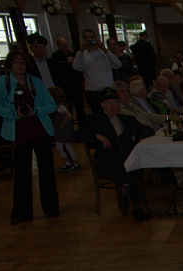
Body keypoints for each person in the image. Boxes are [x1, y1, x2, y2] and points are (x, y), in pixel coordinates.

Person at [0, 49, 59, 226]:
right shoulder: (2, 82)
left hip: (40, 130)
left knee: (46, 171)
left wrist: (35, 111)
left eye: (22, 62)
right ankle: (22, 213)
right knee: (22, 173)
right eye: (16, 62)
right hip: (18, 132)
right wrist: (14, 114)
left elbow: (51, 105)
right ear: (10, 64)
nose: (19, 66)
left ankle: (51, 208)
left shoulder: (35, 82)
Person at [82, 86, 153, 221]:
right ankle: (135, 205)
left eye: (115, 102)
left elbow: (147, 129)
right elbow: (77, 135)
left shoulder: (127, 119)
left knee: (129, 165)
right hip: (107, 161)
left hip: (127, 160)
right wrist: (97, 136)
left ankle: (127, 193)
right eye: (108, 102)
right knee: (128, 166)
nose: (112, 106)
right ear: (102, 105)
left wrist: (142, 138)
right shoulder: (94, 120)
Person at [73, 29, 122, 115]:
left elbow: (117, 65)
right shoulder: (82, 54)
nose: (90, 40)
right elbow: (77, 67)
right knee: (98, 115)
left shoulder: (104, 52)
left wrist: (104, 49)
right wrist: (81, 49)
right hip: (93, 91)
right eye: (87, 38)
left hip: (108, 88)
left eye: (92, 37)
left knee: (113, 113)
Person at [49, 86, 80, 171]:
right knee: (59, 147)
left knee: (68, 147)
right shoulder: (56, 106)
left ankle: (75, 163)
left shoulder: (61, 107)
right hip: (59, 131)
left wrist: (62, 124)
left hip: (64, 131)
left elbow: (69, 115)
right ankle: (67, 162)